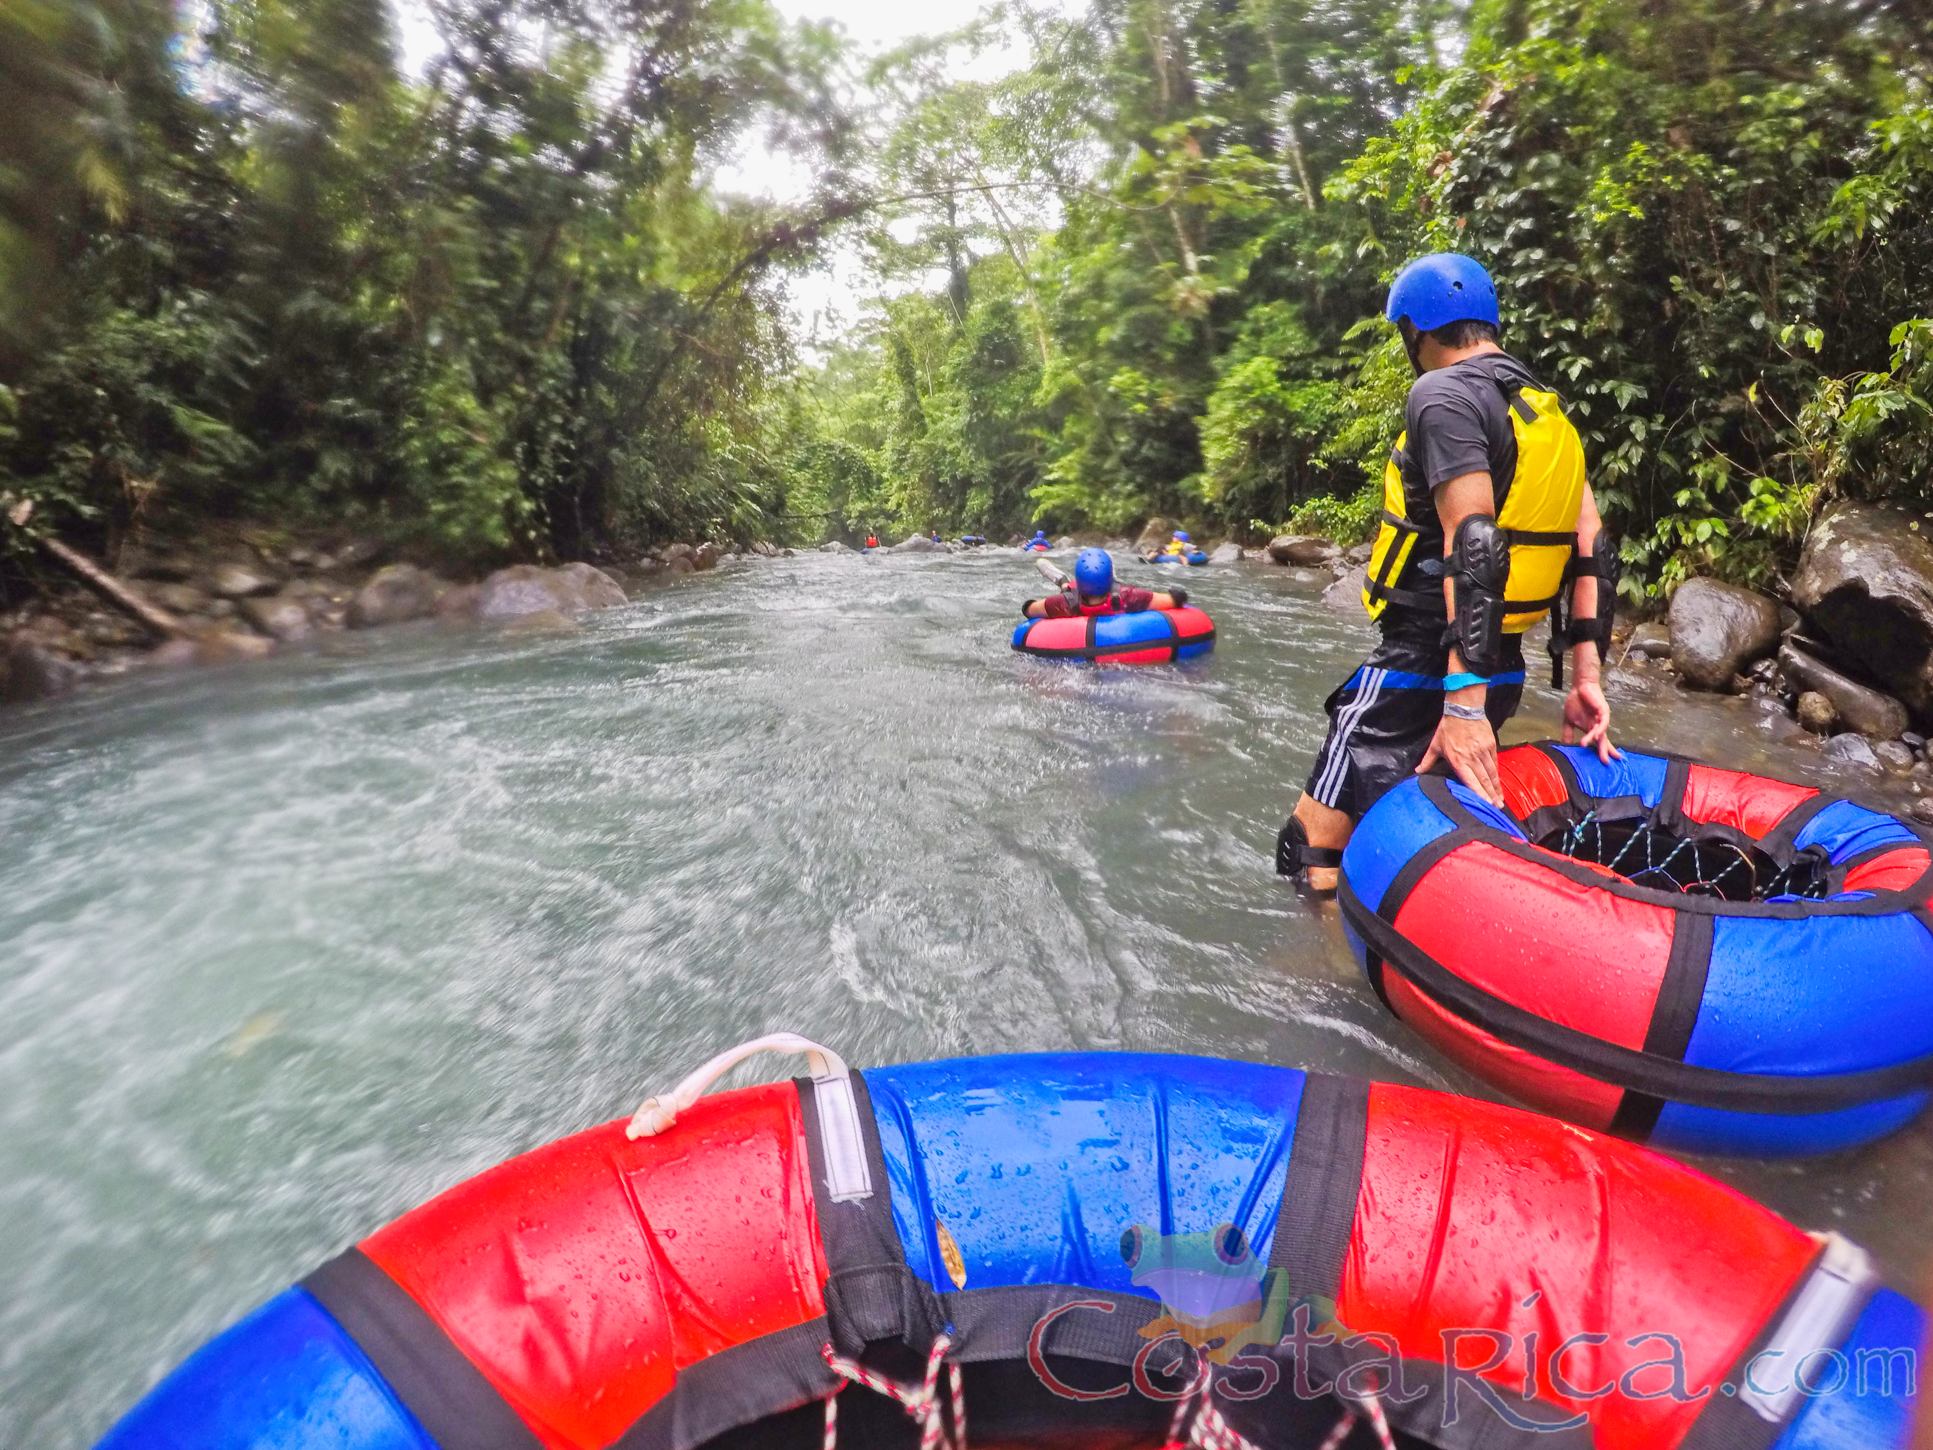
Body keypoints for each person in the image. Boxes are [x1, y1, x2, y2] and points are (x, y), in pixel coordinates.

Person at [1275, 253, 1619, 892]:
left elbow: (1477, 541)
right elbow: (1593, 544)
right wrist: (1587, 678)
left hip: (1427, 664)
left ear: (1414, 329)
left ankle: (1317, 977)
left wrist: (1459, 704)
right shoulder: (1544, 409)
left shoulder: (1443, 394)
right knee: (1411, 824)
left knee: (1310, 845)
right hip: (1501, 667)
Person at [1022, 548, 1189, 619]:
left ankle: (1063, 581)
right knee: (1068, 589)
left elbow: (1028, 609)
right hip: (1109, 591)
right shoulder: (1129, 596)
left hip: (1073, 597)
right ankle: (1063, 580)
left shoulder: (1061, 604)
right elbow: (1176, 599)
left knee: (1067, 590)